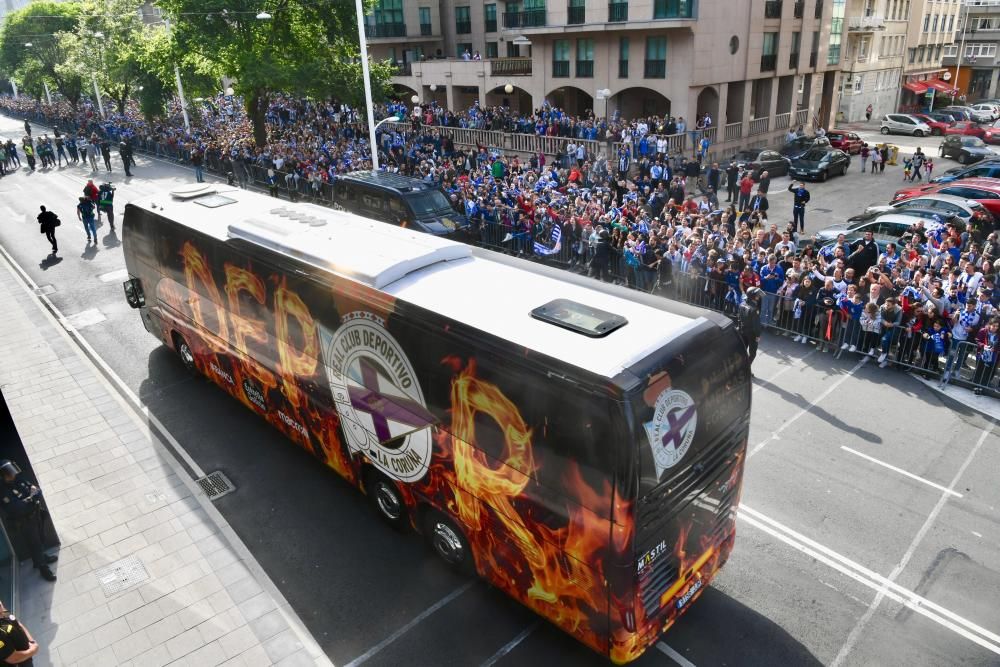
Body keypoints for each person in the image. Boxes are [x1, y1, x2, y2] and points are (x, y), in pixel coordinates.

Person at [0, 460, 56, 583]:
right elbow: (17, 508)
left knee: (41, 538)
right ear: (3, 475)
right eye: (9, 472)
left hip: (35, 514)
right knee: (34, 544)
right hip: (25, 522)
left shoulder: (19, 480)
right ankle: (43, 568)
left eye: (12, 470)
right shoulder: (3, 490)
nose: (12, 474)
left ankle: (41, 558)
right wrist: (31, 497)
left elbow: (36, 490)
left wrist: (30, 497)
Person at [0, 599, 40, 665]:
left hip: (27, 654)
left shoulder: (2, 611)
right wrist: (32, 650)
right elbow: (13, 658)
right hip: (21, 663)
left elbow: (17, 623)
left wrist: (32, 641)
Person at [739, 287, 763, 373]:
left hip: (742, 331)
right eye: (757, 295)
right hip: (752, 334)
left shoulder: (741, 304)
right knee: (752, 353)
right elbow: (756, 325)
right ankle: (745, 370)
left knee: (742, 351)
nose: (758, 296)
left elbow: (739, 318)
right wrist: (758, 335)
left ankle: (739, 367)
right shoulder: (754, 309)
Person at [973, 317, 1000, 394]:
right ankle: (975, 385)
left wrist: (995, 349)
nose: (995, 328)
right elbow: (977, 340)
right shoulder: (983, 331)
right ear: (990, 325)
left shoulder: (998, 334)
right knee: (979, 370)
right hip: (982, 355)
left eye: (997, 326)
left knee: (988, 373)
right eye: (994, 325)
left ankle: (983, 387)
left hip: (993, 357)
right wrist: (983, 346)